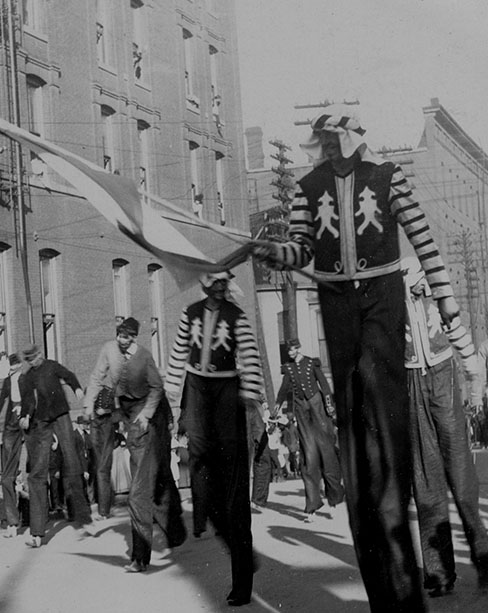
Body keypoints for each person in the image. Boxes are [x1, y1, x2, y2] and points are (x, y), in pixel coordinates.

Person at [253, 106, 460, 612]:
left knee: (385, 428)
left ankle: (407, 583)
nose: (327, 149)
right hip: (337, 306)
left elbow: (424, 240)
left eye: (333, 140)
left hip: (383, 299)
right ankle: (382, 593)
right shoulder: (307, 187)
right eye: (321, 142)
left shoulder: (388, 177)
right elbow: (302, 250)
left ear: (349, 139)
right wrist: (276, 253)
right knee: (352, 435)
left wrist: (446, 298)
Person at [164, 270, 265, 607]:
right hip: (197, 394)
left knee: (235, 494)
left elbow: (251, 361)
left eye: (224, 282)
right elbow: (178, 357)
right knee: (203, 483)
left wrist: (250, 406)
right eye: (214, 282)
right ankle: (230, 539)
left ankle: (242, 583)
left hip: (227, 397)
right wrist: (169, 399)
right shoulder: (189, 313)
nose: (220, 288)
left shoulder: (237, 316)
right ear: (204, 283)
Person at [402, 255, 488, 595]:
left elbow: (458, 329)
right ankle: (438, 574)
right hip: (411, 383)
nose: (423, 281)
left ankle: (484, 559)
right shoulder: (394, 308)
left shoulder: (438, 298)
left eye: (425, 275)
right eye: (416, 277)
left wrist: (471, 370)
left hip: (442, 376)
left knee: (462, 475)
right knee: (426, 482)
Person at [97, 317, 186, 573]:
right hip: (137, 436)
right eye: (118, 336)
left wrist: (166, 422)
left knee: (139, 494)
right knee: (154, 487)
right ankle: (172, 533)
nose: (120, 341)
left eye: (125, 337)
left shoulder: (144, 362)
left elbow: (160, 397)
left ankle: (141, 557)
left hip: (151, 435)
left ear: (133, 337)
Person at [18, 344, 95, 548]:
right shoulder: (27, 377)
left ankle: (84, 518)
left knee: (71, 460)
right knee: (38, 473)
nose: (36, 361)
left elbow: (68, 375)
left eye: (37, 357)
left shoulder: (52, 366)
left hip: (61, 415)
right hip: (42, 421)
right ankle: (36, 533)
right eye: (32, 360)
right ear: (29, 361)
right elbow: (27, 400)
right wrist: (25, 416)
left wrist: (77, 388)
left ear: (41, 355)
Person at [275, 339, 344, 521]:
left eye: (292, 349)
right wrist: (277, 405)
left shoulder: (311, 363)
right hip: (301, 411)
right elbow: (283, 389)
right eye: (288, 350)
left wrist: (329, 406)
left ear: (298, 348)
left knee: (327, 453)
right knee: (309, 458)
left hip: (318, 407)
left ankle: (333, 501)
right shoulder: (289, 369)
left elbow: (325, 386)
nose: (290, 352)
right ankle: (311, 507)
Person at [83, 324, 130, 520]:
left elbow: (122, 412)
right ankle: (103, 507)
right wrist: (91, 412)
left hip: (108, 426)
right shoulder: (93, 385)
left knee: (103, 467)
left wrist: (108, 411)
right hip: (96, 426)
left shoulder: (116, 386)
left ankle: (104, 509)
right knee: (99, 467)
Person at [0, 353, 25, 538]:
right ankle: (12, 522)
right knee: (6, 478)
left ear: (19, 366)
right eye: (10, 369)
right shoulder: (9, 381)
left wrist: (24, 412)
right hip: (12, 426)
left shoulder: (27, 379)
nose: (12, 371)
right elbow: (2, 398)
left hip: (26, 422)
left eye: (14, 367)